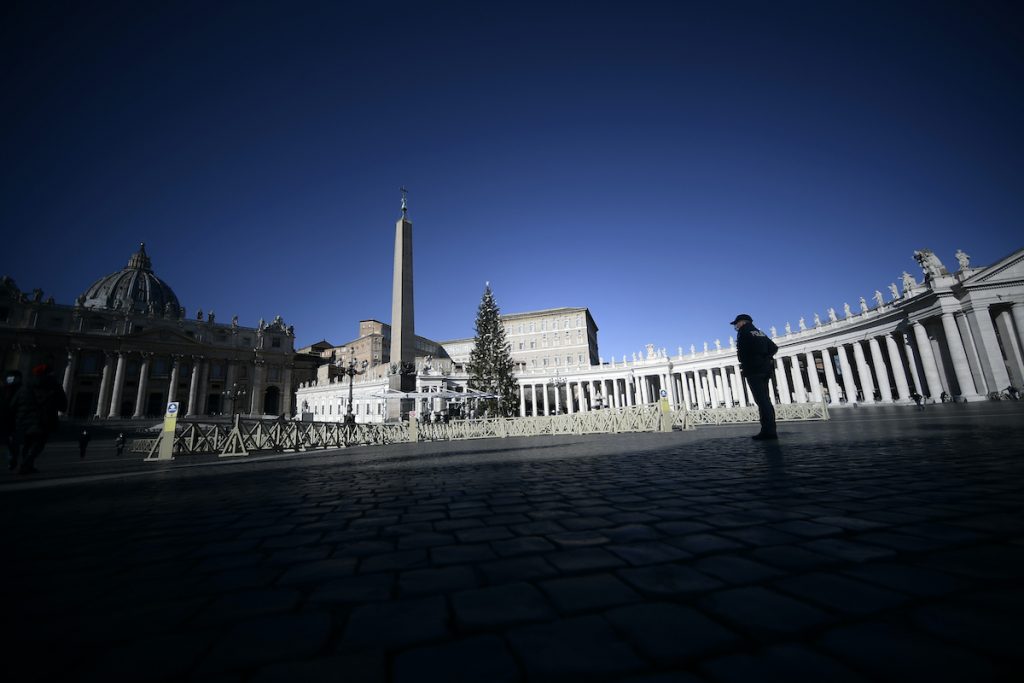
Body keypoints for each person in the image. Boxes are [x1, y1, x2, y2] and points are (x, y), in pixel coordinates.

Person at [11, 363, 68, 474]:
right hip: (44, 420)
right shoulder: (55, 387)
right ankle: (26, 463)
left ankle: (27, 464)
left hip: (24, 421)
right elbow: (63, 406)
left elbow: (13, 404)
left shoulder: (25, 387)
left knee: (27, 443)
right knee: (38, 444)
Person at [731, 314, 779, 440]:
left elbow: (742, 353)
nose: (736, 326)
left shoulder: (744, 332)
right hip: (765, 370)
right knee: (766, 400)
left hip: (753, 370)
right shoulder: (759, 332)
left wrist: (751, 360)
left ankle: (768, 431)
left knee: (761, 401)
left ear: (742, 322)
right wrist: (765, 357)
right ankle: (770, 429)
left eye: (736, 323)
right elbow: (774, 347)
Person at [1, 370, 23, 471]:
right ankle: (12, 459)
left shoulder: (21, 390)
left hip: (14, 420)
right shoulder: (4, 390)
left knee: (12, 442)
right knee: (8, 442)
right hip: (7, 419)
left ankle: (12, 459)